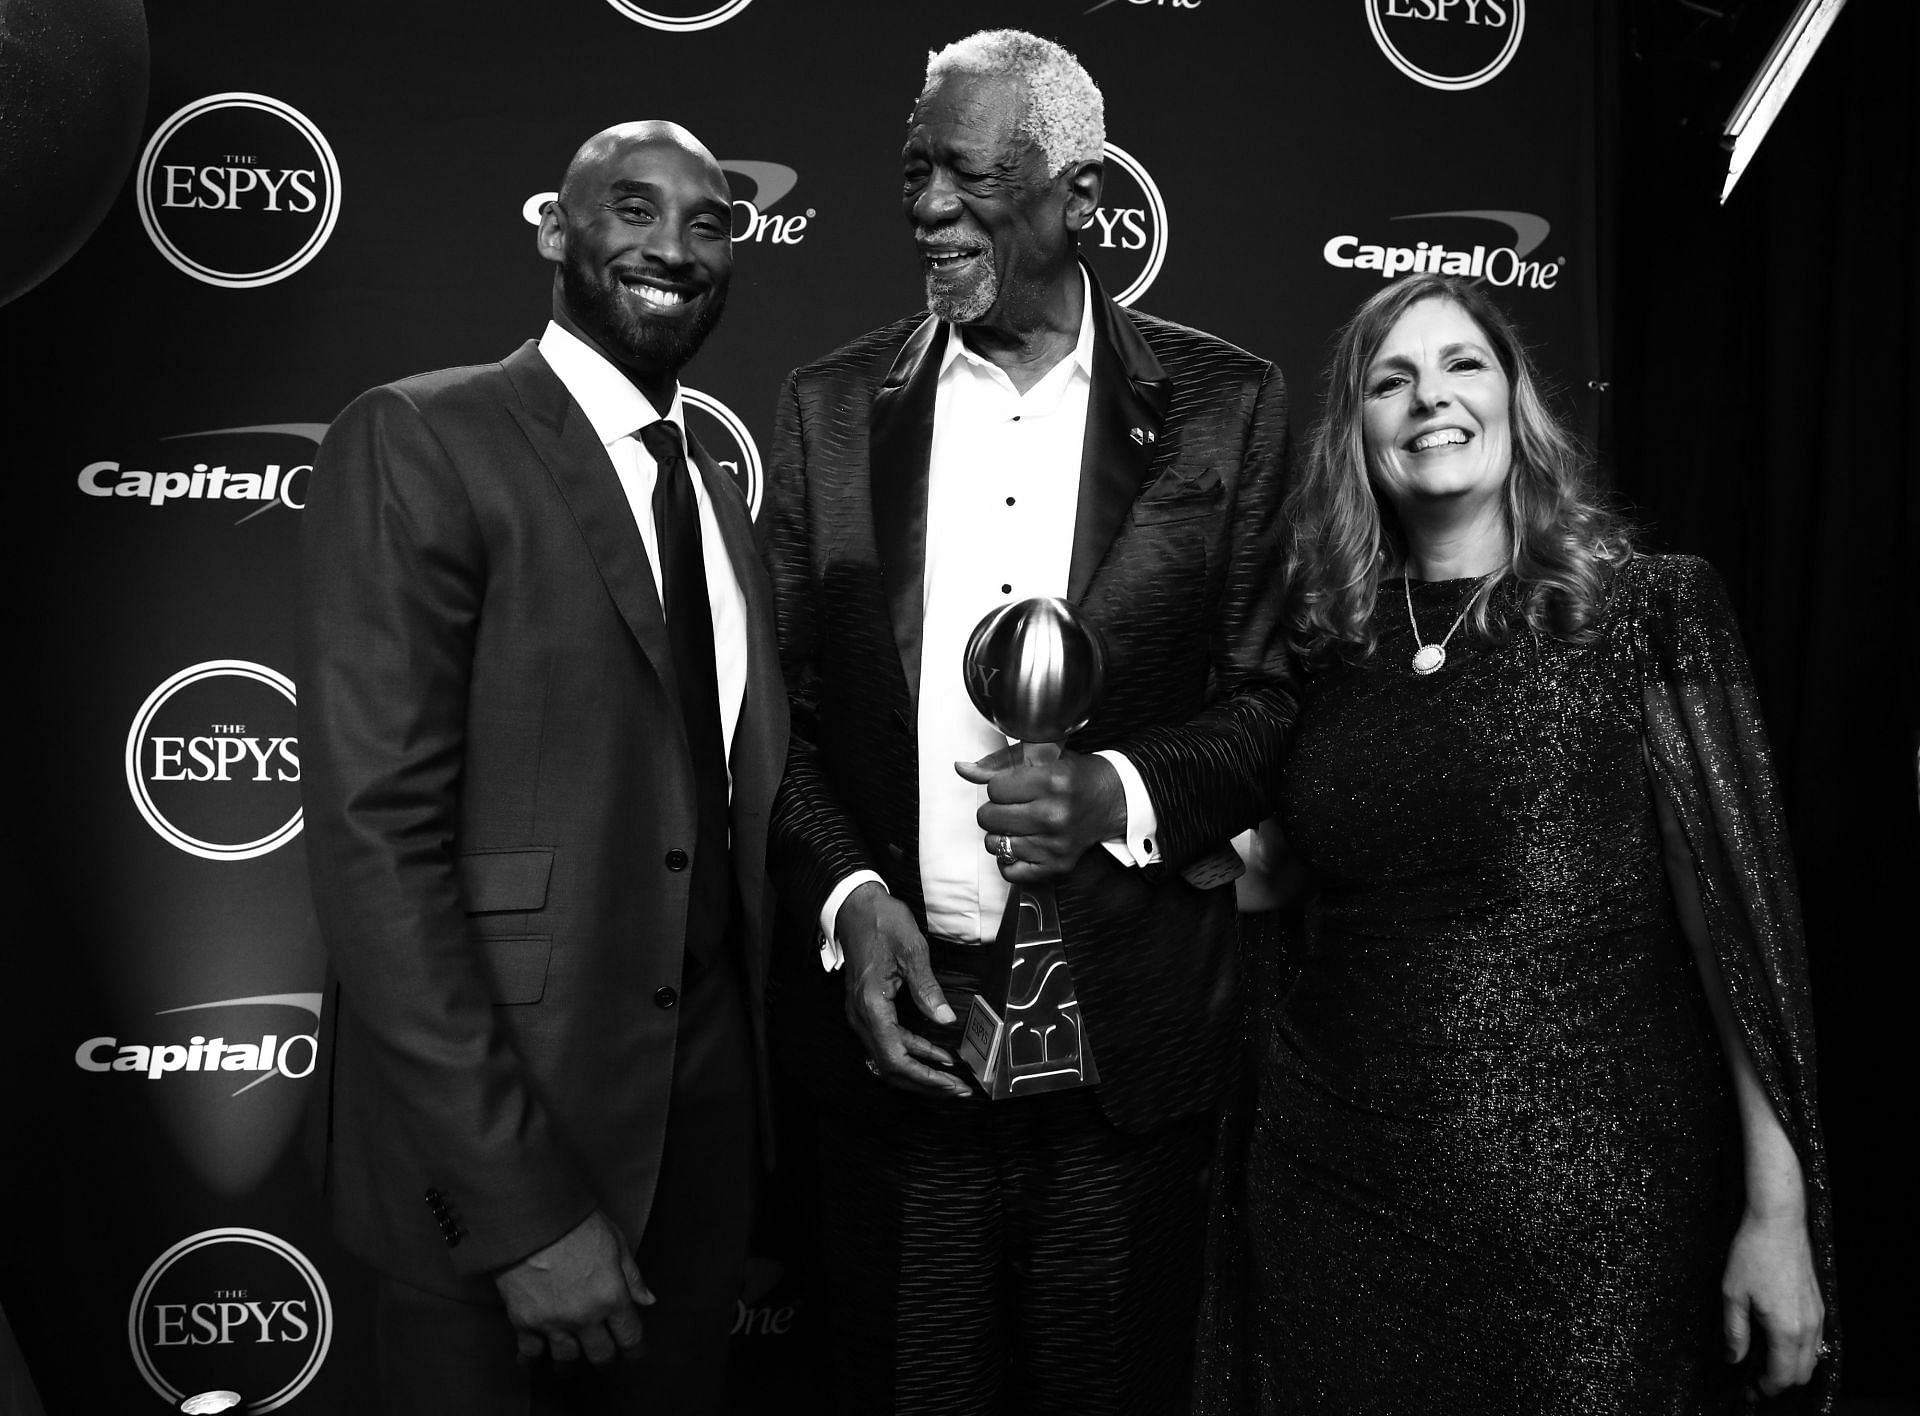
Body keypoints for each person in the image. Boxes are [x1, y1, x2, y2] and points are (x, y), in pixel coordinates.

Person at [765, 29, 1295, 1415]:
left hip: (1124, 1070)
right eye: (912, 173)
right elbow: (782, 728)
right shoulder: (828, 413)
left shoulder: (1224, 408)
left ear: (1077, 186)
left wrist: (1116, 792)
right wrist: (852, 894)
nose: (928, 207)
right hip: (906, 1061)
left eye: (967, 172)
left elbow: (1269, 703)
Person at [1194, 273, 1836, 1414]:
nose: (1429, 397)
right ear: (1359, 435)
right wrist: (1110, 818)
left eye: (1461, 365)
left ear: (1516, 401)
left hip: (1592, 1212)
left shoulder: (1642, 609)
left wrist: (1776, 1209)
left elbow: (1732, 930)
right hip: (1334, 1191)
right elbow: (1281, 881)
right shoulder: (1324, 646)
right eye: (1391, 382)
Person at [297, 121, 786, 1415]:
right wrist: (514, 1216)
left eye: (708, 219)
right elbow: (375, 841)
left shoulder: (714, 490)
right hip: (503, 1174)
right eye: (632, 209)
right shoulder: (421, 435)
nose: (674, 246)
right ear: (557, 231)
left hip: (698, 1152)